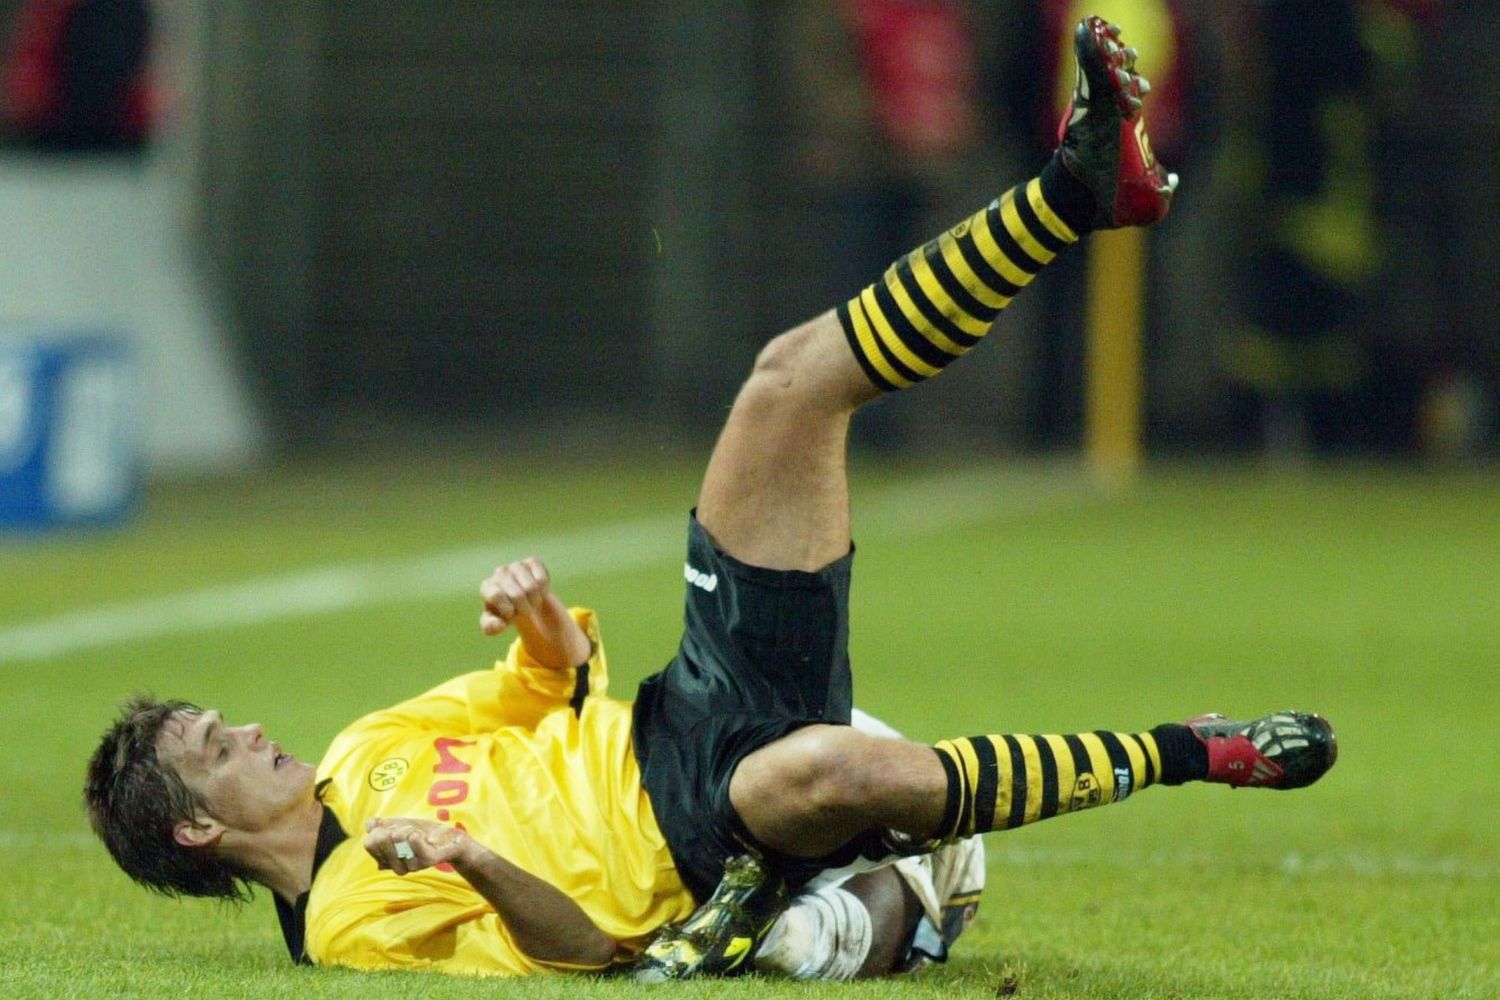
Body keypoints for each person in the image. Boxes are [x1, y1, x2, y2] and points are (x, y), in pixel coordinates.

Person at [84, 17, 1336, 981]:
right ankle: (1194, 750)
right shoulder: (352, 915)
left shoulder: (370, 748)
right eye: (215, 748)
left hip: (683, 713)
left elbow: (559, 685)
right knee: (826, 774)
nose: (248, 732)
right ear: (198, 832)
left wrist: (536, 622)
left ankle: (1074, 193)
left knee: (787, 382)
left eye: (223, 720)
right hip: (700, 838)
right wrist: (475, 858)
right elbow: (582, 953)